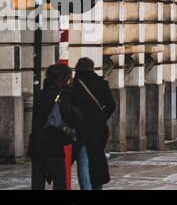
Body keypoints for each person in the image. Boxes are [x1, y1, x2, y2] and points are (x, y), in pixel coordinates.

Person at [29, 63, 81, 190]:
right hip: (53, 145)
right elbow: (70, 117)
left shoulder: (40, 94)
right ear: (64, 78)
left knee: (37, 182)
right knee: (60, 182)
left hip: (37, 145)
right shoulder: (61, 95)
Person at [66, 57, 115, 190]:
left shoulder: (74, 85)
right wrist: (101, 118)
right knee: (97, 159)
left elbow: (69, 108)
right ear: (92, 68)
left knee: (83, 161)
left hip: (80, 129)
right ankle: (97, 187)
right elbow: (111, 105)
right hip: (98, 129)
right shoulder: (102, 83)